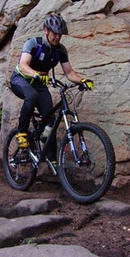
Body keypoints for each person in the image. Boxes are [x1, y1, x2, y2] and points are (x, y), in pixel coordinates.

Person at [10, 13, 94, 163]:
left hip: (39, 84)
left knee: (51, 120)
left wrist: (82, 80)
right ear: (46, 30)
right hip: (20, 79)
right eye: (54, 33)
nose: (57, 37)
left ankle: (52, 160)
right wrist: (35, 74)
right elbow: (23, 65)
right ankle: (21, 133)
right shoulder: (34, 44)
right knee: (32, 95)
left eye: (60, 34)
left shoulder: (60, 50)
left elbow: (69, 72)